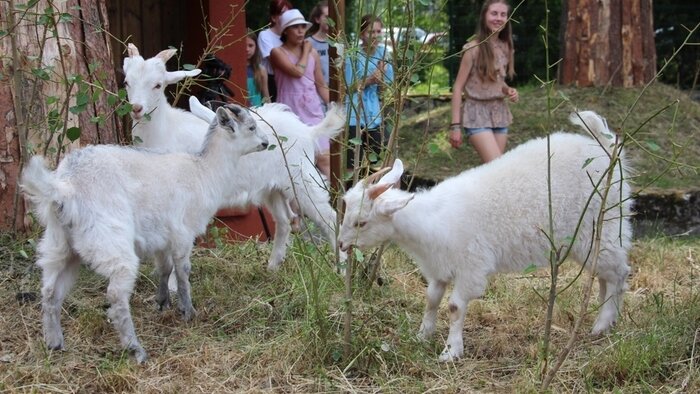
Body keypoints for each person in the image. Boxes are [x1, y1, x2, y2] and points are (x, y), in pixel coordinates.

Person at [449, 0, 519, 163]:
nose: (499, 18)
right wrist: (455, 126)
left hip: (499, 113)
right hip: (476, 114)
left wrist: (508, 90)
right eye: (494, 13)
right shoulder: (472, 49)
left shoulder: (506, 47)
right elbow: (458, 87)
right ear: (484, 16)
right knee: (497, 166)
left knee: (494, 171)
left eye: (503, 14)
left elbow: (497, 82)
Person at [270, 9, 331, 180]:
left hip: (313, 109)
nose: (300, 31)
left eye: (303, 26)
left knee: (324, 158)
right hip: (290, 111)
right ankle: (297, 206)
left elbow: (320, 84)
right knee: (294, 163)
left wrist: (335, 107)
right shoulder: (277, 52)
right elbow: (298, 72)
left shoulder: (313, 53)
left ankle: (333, 203)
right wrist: (305, 51)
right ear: (285, 31)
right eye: (295, 27)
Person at [344, 14, 394, 171]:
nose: (376, 36)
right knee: (353, 164)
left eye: (379, 31)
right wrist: (370, 79)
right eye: (371, 32)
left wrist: (382, 80)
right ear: (361, 34)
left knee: (378, 161)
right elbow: (348, 88)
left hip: (374, 115)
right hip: (354, 114)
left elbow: (383, 90)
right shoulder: (353, 55)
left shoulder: (384, 53)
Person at [258, 0, 293, 102]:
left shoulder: (293, 35)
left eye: (289, 13)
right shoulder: (265, 35)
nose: (287, 16)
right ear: (274, 17)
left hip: (290, 78)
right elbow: (275, 61)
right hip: (271, 80)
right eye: (283, 13)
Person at [306, 1, 330, 87]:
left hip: (336, 91)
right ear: (317, 19)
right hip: (314, 91)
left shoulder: (339, 43)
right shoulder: (307, 43)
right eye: (327, 17)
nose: (330, 20)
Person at [246, 30, 270, 107]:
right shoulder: (234, 69)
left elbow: (266, 96)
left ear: (256, 47)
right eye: (243, 45)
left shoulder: (261, 70)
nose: (247, 49)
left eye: (250, 45)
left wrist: (269, 110)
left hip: (258, 112)